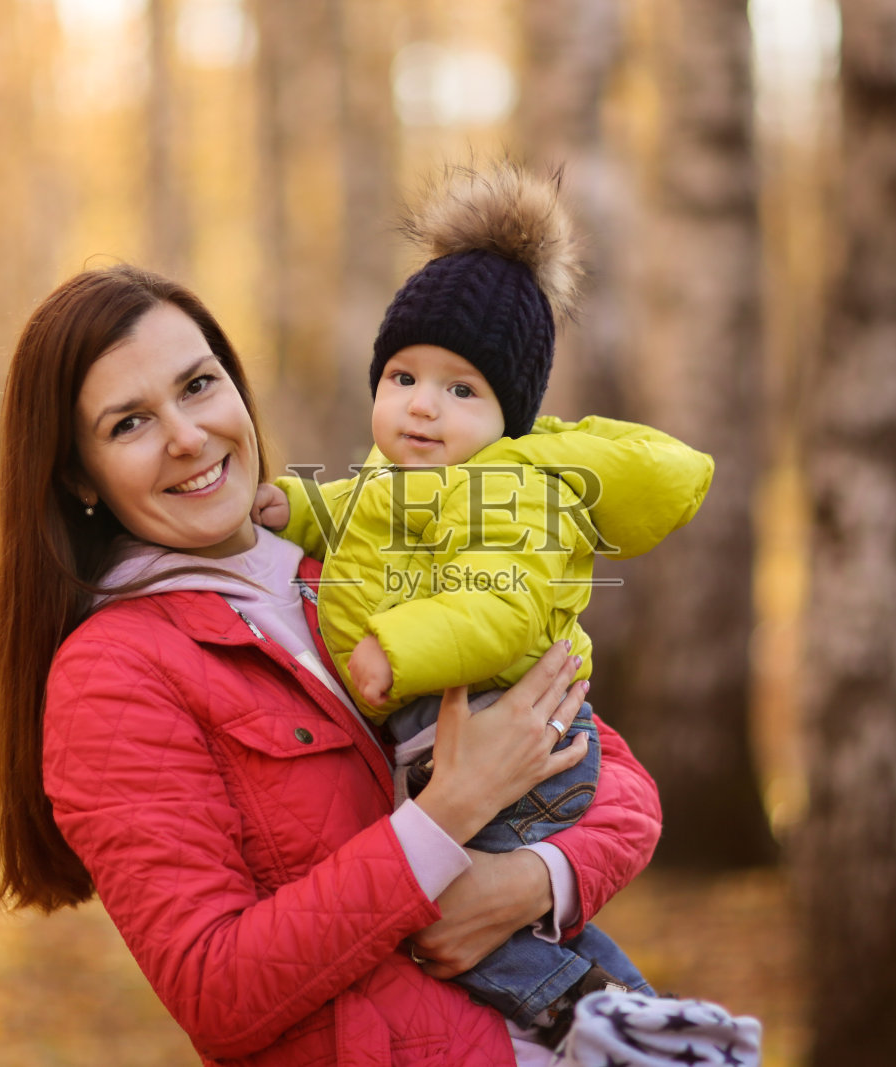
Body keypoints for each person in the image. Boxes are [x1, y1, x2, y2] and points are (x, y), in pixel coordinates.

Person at [0, 262, 666, 1067]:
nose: (187, 437)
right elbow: (216, 992)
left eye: (198, 385)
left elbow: (621, 784)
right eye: (128, 423)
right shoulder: (114, 673)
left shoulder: (349, 561)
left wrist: (530, 881)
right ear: (76, 475)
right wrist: (443, 820)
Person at [243, 162, 714, 1040]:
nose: (423, 407)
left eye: (462, 390)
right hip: (452, 744)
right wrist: (299, 509)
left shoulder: (518, 494)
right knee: (471, 919)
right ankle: (635, 1028)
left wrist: (402, 646)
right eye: (404, 378)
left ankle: (626, 1030)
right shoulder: (403, 477)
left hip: (514, 741)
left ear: (511, 415)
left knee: (456, 921)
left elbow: (503, 603)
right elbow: (362, 515)